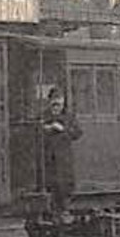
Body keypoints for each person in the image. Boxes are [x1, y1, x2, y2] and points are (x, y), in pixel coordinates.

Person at [41, 89, 80, 221]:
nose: (57, 106)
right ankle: (52, 210)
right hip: (48, 155)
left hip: (63, 156)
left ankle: (64, 210)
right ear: (50, 102)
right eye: (55, 103)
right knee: (50, 183)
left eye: (59, 103)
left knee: (64, 183)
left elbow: (77, 133)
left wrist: (63, 129)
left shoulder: (69, 117)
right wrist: (44, 128)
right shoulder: (43, 116)